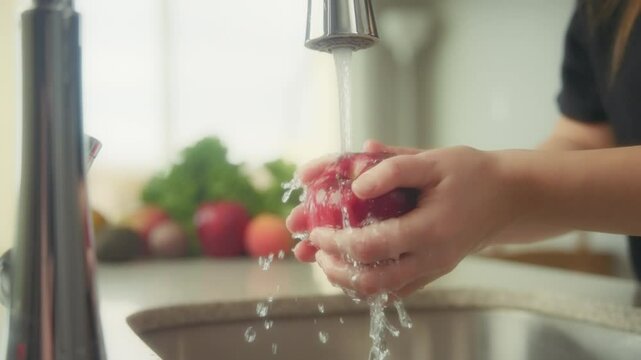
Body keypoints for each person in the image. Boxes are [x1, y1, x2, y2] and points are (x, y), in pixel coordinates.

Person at [286, 0, 641, 298]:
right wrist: (450, 203)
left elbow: (530, 186)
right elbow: (583, 143)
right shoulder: (605, 8)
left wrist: (506, 190)